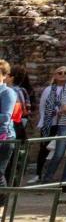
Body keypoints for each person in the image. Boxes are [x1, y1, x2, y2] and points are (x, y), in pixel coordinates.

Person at [34, 66, 66, 180]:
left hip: (65, 123)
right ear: (55, 75)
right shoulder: (48, 90)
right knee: (44, 148)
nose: (62, 74)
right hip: (50, 123)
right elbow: (42, 107)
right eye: (60, 72)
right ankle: (39, 174)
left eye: (65, 72)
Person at [0, 60, 19, 192]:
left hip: (4, 137)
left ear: (5, 75)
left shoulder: (7, 92)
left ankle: (2, 205)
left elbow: (6, 116)